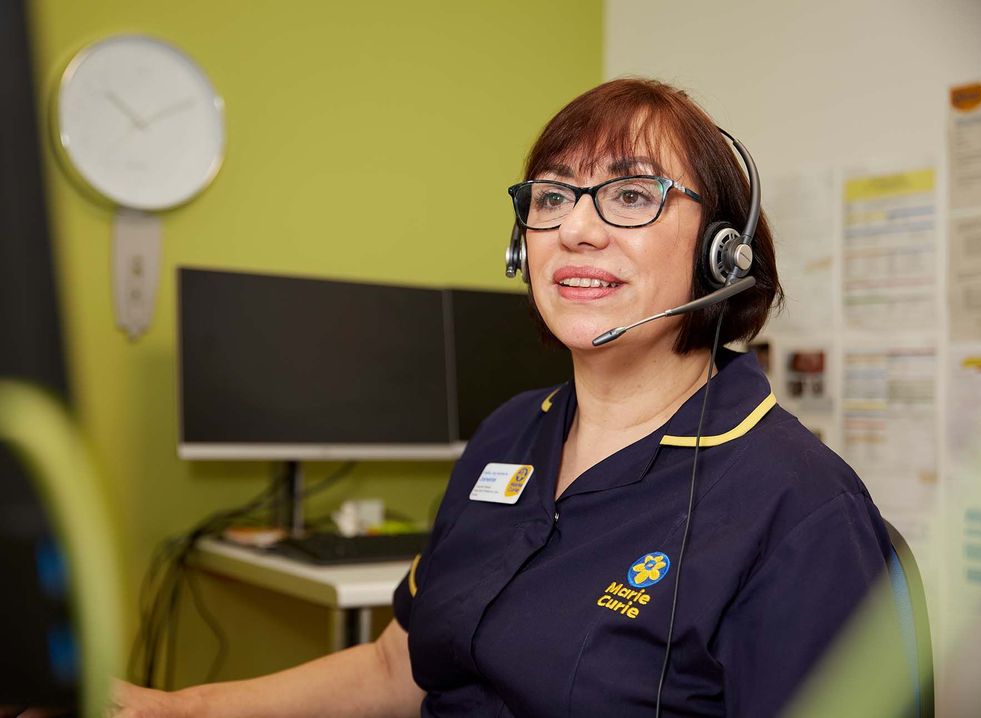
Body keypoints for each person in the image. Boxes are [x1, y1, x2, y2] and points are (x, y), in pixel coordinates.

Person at [112, 78, 895, 717]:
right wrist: (178, 709)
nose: (577, 229)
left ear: (723, 253)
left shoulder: (801, 508)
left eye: (629, 196)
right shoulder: (512, 432)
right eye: (553, 198)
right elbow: (400, 665)